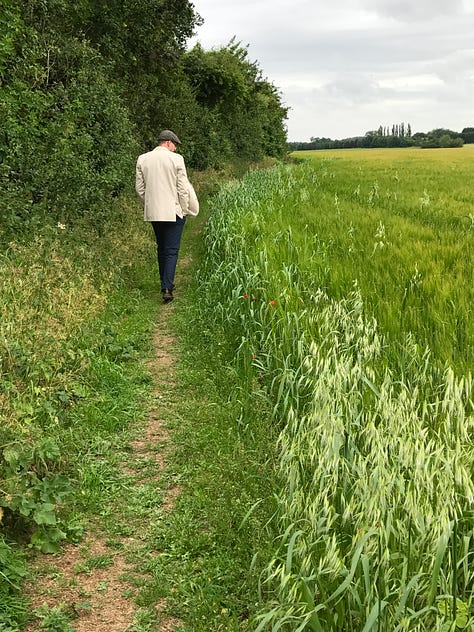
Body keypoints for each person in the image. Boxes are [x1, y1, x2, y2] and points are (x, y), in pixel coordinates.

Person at [135, 130, 199, 303]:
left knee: (161, 247)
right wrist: (184, 209)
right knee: (171, 250)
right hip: (174, 211)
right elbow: (183, 188)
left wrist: (150, 203)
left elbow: (140, 189)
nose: (175, 149)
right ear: (169, 143)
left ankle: (165, 281)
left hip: (154, 212)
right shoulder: (176, 160)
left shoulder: (143, 159)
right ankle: (167, 287)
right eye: (175, 146)